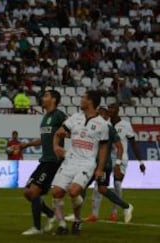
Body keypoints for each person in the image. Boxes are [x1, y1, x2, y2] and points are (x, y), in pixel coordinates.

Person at [51, 90, 109, 235]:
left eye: (83, 98)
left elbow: (103, 149)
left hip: (87, 163)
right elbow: (59, 133)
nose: (81, 100)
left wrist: (100, 169)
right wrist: (56, 147)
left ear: (90, 101)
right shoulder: (75, 118)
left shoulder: (102, 124)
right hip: (70, 160)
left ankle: (77, 220)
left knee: (73, 191)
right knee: (56, 192)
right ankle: (62, 225)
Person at [20, 90, 67, 235]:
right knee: (28, 193)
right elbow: (44, 139)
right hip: (44, 160)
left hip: (53, 161)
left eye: (46, 96)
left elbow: (69, 131)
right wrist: (26, 145)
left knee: (34, 192)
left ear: (53, 99)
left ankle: (37, 228)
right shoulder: (45, 117)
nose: (42, 98)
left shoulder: (59, 115)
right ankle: (50, 214)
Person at [81, 105, 134, 223]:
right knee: (81, 187)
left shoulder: (109, 128)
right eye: (99, 113)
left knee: (102, 189)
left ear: (106, 116)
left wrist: (118, 164)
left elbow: (119, 147)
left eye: (103, 113)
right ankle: (78, 215)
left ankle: (126, 206)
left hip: (104, 164)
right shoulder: (93, 127)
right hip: (92, 163)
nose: (100, 115)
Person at [106, 103, 145, 221]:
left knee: (117, 184)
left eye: (112, 108)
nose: (110, 110)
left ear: (118, 111)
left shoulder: (125, 125)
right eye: (109, 108)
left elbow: (133, 144)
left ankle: (115, 211)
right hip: (107, 158)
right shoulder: (105, 124)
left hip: (121, 157)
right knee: (100, 185)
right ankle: (97, 213)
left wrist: (141, 162)